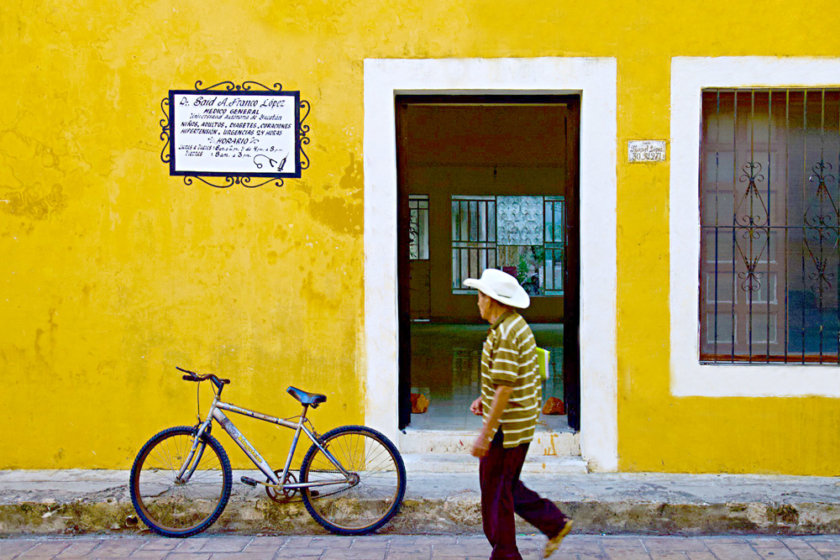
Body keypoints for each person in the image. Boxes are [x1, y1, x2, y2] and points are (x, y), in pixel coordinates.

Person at [465, 268, 573, 560]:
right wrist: (482, 399)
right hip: (513, 424)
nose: (477, 302)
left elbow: (503, 389)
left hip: (507, 429)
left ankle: (507, 554)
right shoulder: (509, 326)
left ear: (491, 300)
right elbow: (505, 380)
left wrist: (485, 435)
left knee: (497, 493)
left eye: (479, 297)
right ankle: (554, 523)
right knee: (501, 487)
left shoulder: (508, 333)